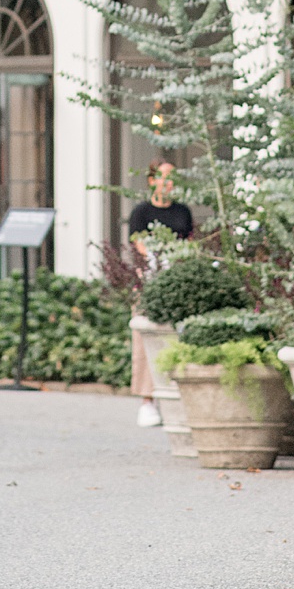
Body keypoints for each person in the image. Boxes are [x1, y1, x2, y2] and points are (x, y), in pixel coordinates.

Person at [127, 161, 194, 429]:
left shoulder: (183, 212)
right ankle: (147, 400)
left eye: (172, 179)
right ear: (152, 180)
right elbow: (139, 244)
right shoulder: (141, 212)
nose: (168, 184)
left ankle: (179, 396)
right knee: (145, 337)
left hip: (176, 277)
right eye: (163, 178)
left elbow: (188, 242)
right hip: (149, 278)